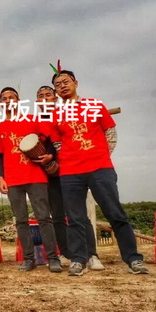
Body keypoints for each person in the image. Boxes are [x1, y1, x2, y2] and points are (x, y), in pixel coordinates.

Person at [49, 63, 148, 276]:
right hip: (70, 172)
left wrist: (102, 156)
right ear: (56, 92)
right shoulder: (56, 114)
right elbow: (58, 144)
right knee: (74, 217)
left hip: (100, 168)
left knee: (115, 213)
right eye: (58, 85)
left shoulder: (94, 105)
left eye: (66, 82)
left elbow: (110, 132)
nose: (62, 86)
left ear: (76, 83)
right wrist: (67, 160)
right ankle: (78, 260)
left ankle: (133, 259)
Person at [0, 87, 62, 273]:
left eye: (12, 97)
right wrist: (0, 178)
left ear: (18, 101)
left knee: (44, 218)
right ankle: (28, 258)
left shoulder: (33, 120)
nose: (8, 101)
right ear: (1, 104)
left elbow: (52, 139)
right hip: (13, 178)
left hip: (35, 176)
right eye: (4, 98)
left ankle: (53, 258)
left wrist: (50, 156)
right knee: (21, 220)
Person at [36, 85, 104, 270]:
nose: (45, 98)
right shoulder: (35, 121)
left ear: (55, 97)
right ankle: (68, 253)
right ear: (37, 102)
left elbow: (70, 140)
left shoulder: (66, 113)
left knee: (78, 214)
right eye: (40, 96)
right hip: (50, 175)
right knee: (57, 216)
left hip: (72, 171)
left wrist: (54, 156)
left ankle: (91, 254)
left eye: (48, 95)